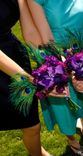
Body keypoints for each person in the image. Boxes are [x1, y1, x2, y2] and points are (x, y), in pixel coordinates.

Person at [27, 0, 83, 154]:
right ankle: (71, 138)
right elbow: (45, 36)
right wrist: (63, 67)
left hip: (81, 52)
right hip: (55, 56)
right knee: (63, 102)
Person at [0, 1, 50, 155]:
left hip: (14, 55)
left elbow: (30, 32)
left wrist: (52, 64)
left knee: (32, 126)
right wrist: (27, 79)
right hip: (14, 69)